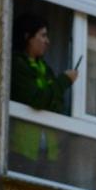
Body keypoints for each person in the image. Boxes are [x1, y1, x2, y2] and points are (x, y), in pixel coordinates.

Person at [10, 12, 76, 168]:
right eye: (43, 35)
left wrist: (50, 95)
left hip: (48, 152)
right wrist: (64, 81)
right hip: (23, 148)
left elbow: (57, 105)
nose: (48, 41)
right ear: (28, 36)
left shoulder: (46, 69)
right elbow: (38, 99)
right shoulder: (17, 65)